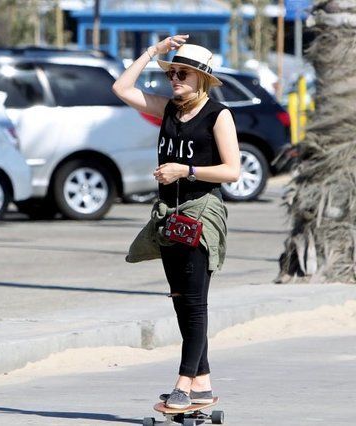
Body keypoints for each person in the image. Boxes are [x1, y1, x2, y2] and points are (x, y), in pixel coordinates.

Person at [113, 36, 240, 409]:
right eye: (172, 73)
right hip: (170, 215)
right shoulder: (169, 109)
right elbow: (121, 88)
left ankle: (183, 384)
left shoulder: (218, 115)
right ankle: (202, 383)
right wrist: (154, 52)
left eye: (182, 74)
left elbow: (232, 170)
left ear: (202, 78)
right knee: (182, 300)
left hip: (201, 212)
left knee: (195, 302)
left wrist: (186, 170)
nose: (175, 79)